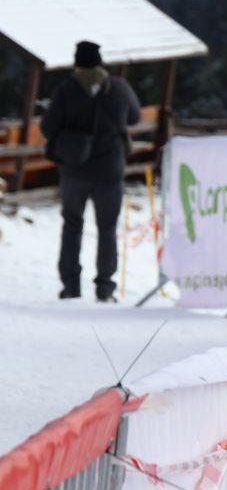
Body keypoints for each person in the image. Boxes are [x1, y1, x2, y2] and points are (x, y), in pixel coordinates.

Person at [42, 41, 141, 302]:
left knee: (72, 225)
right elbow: (134, 117)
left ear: (77, 63)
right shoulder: (119, 87)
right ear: (99, 62)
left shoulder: (66, 90)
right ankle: (105, 288)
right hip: (110, 169)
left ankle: (71, 286)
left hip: (74, 169)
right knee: (107, 228)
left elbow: (47, 128)